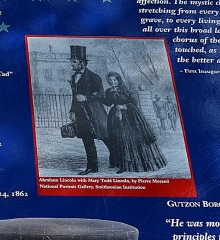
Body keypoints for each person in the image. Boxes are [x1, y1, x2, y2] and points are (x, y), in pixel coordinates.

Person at [101, 72, 167, 174]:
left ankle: (136, 164)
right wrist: (100, 96)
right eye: (110, 81)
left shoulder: (126, 90)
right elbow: (108, 103)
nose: (112, 82)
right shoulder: (109, 91)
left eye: (114, 80)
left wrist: (124, 106)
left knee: (130, 139)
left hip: (130, 117)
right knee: (118, 139)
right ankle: (122, 164)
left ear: (119, 80)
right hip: (115, 116)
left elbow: (134, 103)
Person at [67, 45, 110, 175]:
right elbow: (75, 97)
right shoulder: (74, 77)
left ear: (82, 63)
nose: (71, 64)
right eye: (71, 61)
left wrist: (86, 97)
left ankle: (119, 159)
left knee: (106, 137)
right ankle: (92, 167)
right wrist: (72, 111)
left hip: (95, 112)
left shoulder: (94, 77)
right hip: (81, 113)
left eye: (74, 62)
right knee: (87, 139)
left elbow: (101, 94)